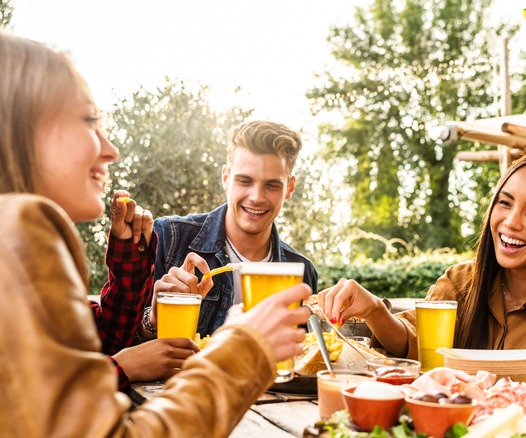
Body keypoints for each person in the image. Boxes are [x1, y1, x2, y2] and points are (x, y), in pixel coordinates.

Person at [0, 31, 311, 436]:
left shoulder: (299, 266)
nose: (110, 149)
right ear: (27, 129)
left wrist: (129, 267)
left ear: (289, 187)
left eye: (271, 184)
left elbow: (90, 353)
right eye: (90, 122)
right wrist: (244, 349)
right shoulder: (22, 227)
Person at [318, 149, 526, 381]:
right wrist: (374, 309)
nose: (510, 222)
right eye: (504, 203)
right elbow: (415, 343)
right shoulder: (461, 281)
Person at [138, 119, 318, 339]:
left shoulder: (302, 270)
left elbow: (302, 355)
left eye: (272, 185)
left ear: (289, 188)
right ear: (226, 178)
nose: (256, 197)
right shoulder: (169, 237)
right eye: (244, 181)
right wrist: (154, 319)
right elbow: (123, 342)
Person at [92, 190, 202, 391]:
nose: (112, 156)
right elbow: (45, 391)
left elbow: (109, 339)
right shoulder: (172, 232)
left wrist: (129, 248)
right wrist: (123, 366)